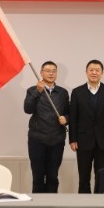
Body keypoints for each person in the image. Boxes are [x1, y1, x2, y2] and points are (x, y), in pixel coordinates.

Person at [69, 59, 104, 193]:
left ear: (102, 73)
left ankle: (99, 202)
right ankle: (84, 203)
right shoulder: (77, 92)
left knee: (101, 176)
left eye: (97, 70)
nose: (94, 72)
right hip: (82, 140)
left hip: (103, 140)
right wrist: (73, 139)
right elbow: (73, 118)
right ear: (86, 72)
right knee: (83, 177)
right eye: (91, 70)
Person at [24, 61, 70, 193]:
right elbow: (27, 109)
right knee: (38, 177)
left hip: (57, 140)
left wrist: (66, 119)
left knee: (52, 176)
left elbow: (69, 112)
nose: (51, 73)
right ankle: (38, 204)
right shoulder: (32, 90)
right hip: (37, 139)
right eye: (48, 71)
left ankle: (52, 203)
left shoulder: (62, 92)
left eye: (54, 71)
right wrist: (37, 92)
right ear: (41, 73)